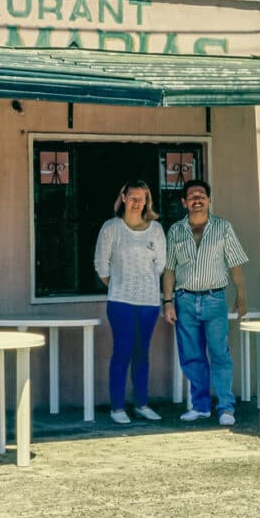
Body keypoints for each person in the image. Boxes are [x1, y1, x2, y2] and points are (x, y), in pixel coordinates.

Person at [162, 179, 248, 426]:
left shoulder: (223, 227)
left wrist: (242, 296)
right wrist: (168, 302)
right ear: (184, 202)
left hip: (214, 299)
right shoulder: (176, 231)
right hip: (184, 300)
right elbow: (169, 269)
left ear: (209, 200)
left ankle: (225, 408)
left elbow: (235, 263)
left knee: (220, 353)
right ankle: (200, 407)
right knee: (192, 356)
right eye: (192, 196)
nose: (197, 199)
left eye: (201, 195)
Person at [94, 180, 167, 424]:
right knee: (122, 352)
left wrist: (143, 285)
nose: (137, 203)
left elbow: (160, 265)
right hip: (120, 301)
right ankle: (117, 407)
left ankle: (142, 404)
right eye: (132, 197)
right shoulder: (111, 227)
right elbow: (101, 264)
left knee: (142, 354)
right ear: (123, 197)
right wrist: (120, 284)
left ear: (147, 201)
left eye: (141, 198)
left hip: (148, 303)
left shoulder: (155, 229)